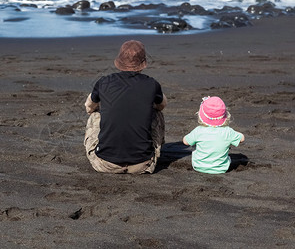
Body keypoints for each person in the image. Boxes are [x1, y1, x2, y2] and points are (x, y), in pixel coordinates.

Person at [84, 40, 167, 174]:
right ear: (142, 63)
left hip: (105, 163)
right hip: (142, 164)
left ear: (119, 61)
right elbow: (162, 105)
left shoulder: (104, 82)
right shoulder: (151, 84)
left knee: (95, 114)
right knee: (157, 113)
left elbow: (88, 107)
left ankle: (108, 146)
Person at [183, 96, 245, 174]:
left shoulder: (198, 130)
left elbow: (185, 141)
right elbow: (242, 139)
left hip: (198, 166)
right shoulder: (228, 132)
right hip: (221, 168)